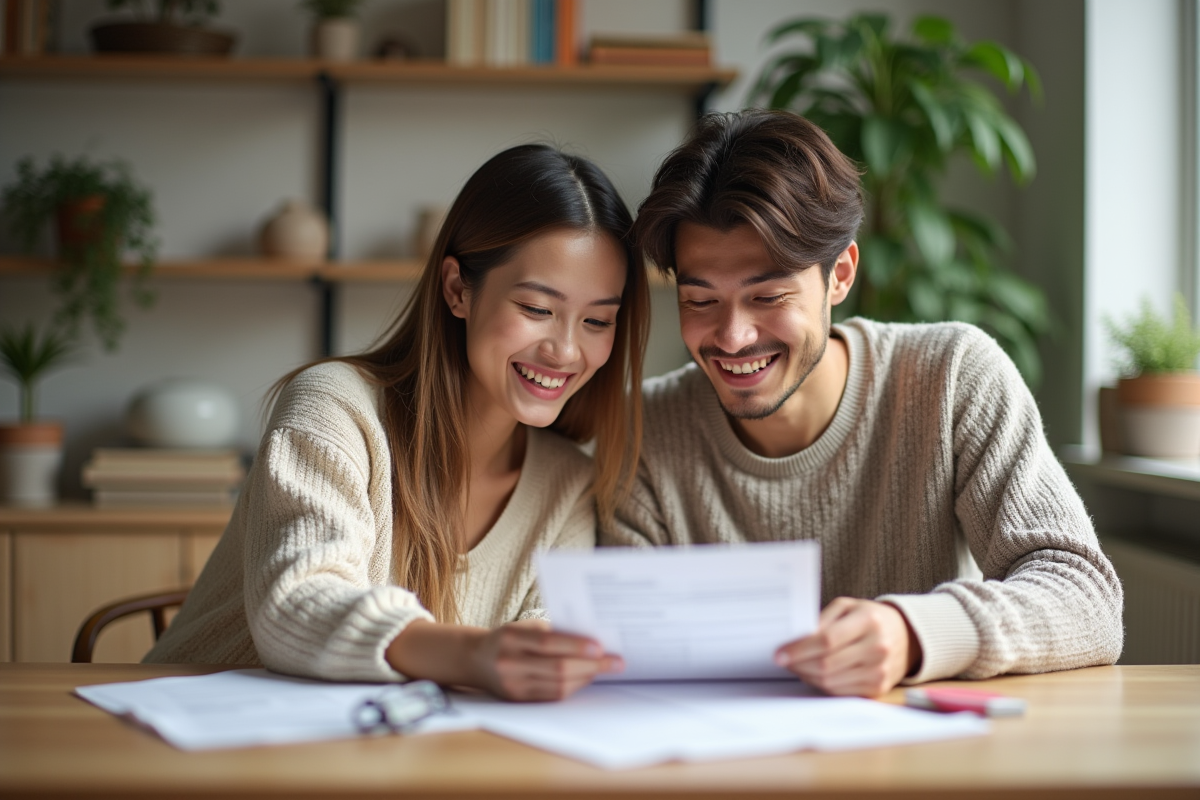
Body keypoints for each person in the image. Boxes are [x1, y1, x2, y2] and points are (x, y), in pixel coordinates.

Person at [604, 109, 1123, 697]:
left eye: (768, 296)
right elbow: (628, 644)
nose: (732, 336)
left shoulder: (952, 377)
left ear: (840, 275)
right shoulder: (646, 430)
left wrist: (913, 632)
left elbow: (1087, 598)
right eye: (700, 301)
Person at [146, 144, 650, 702]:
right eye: (536, 309)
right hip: (188, 737)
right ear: (458, 289)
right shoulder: (333, 409)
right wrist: (476, 654)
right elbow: (296, 605)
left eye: (599, 320)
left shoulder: (568, 485)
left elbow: (548, 634)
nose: (565, 350)